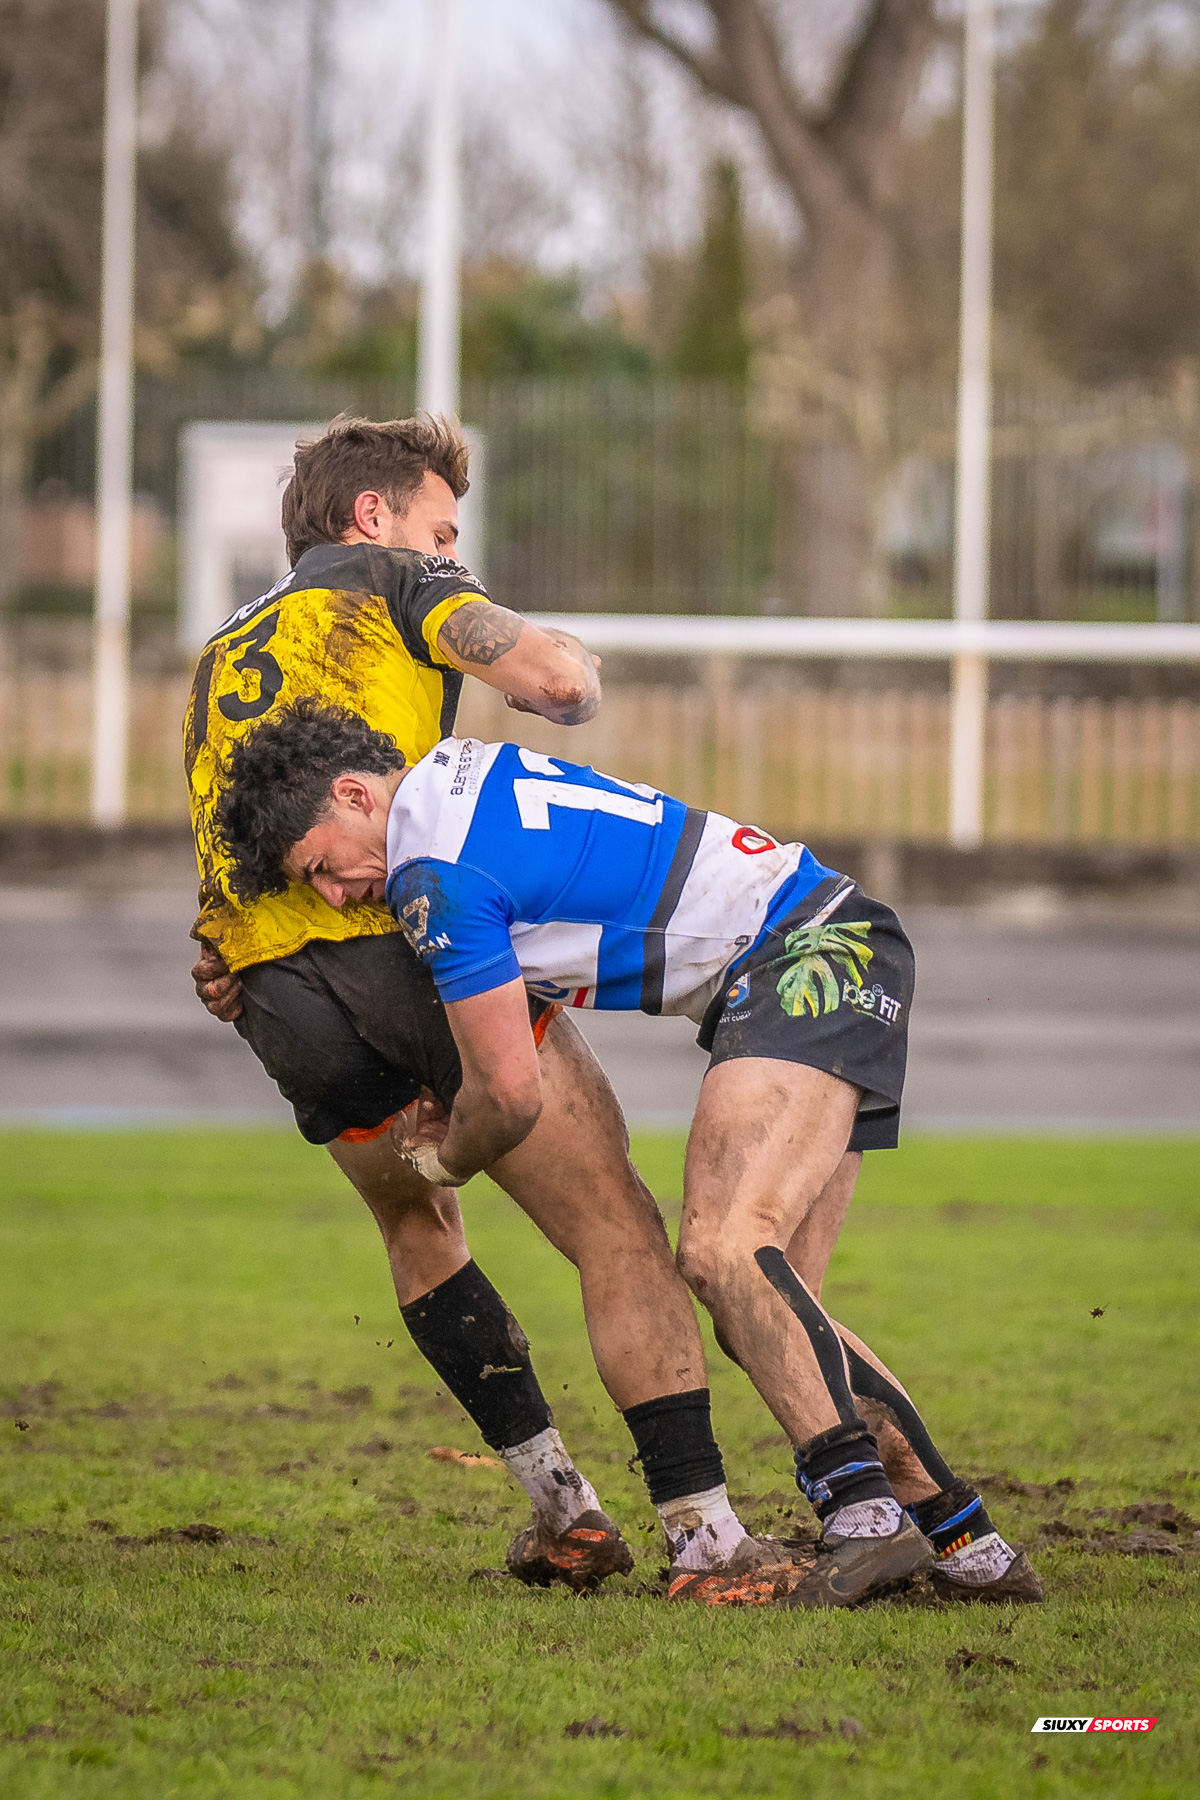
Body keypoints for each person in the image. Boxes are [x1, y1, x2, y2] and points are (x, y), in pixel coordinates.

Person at [213, 703, 1044, 1611]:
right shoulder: (459, 771)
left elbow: (510, 1092)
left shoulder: (429, 874)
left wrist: (444, 1163)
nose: (336, 895)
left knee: (724, 1252)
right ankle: (969, 1545)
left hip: (805, 954)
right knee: (765, 1311)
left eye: (323, 867)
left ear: (351, 792)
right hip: (831, 936)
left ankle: (866, 1521)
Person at [184, 413, 804, 1603]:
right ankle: (708, 1537)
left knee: (418, 1228)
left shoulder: (220, 650)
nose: (452, 545)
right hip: (410, 943)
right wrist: (554, 651)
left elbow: (237, 838)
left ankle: (562, 1510)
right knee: (612, 1224)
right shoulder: (392, 579)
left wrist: (228, 971)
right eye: (444, 525)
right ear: (375, 516)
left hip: (273, 995)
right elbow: (556, 683)